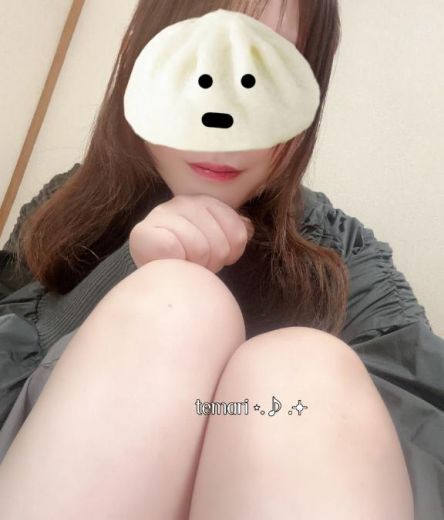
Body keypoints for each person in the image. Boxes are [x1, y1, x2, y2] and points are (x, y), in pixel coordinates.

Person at [0, 1, 415, 518]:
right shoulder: (66, 208)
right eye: (197, 67)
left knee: (303, 369)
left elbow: (415, 431)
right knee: (179, 303)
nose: (222, 118)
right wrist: (127, 273)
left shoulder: (347, 257)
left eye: (265, 71)